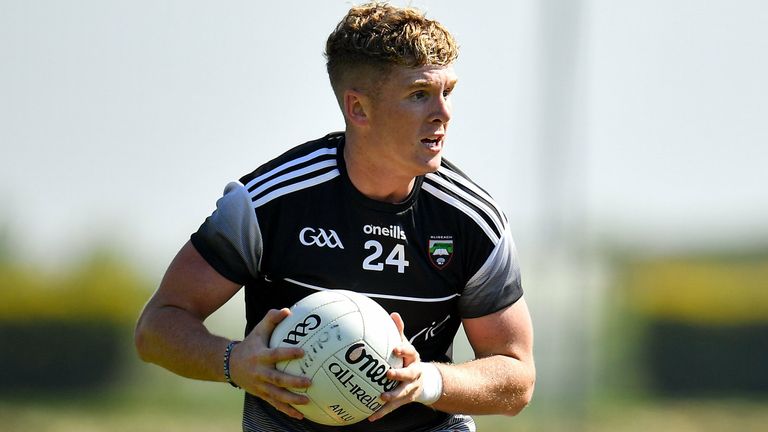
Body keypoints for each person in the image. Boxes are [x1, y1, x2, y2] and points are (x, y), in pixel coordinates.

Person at [134, 2, 535, 431]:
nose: (444, 112)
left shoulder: (472, 219)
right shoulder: (269, 204)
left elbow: (517, 374)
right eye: (419, 94)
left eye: (447, 91)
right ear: (358, 109)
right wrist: (234, 361)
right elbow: (158, 326)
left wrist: (429, 380)